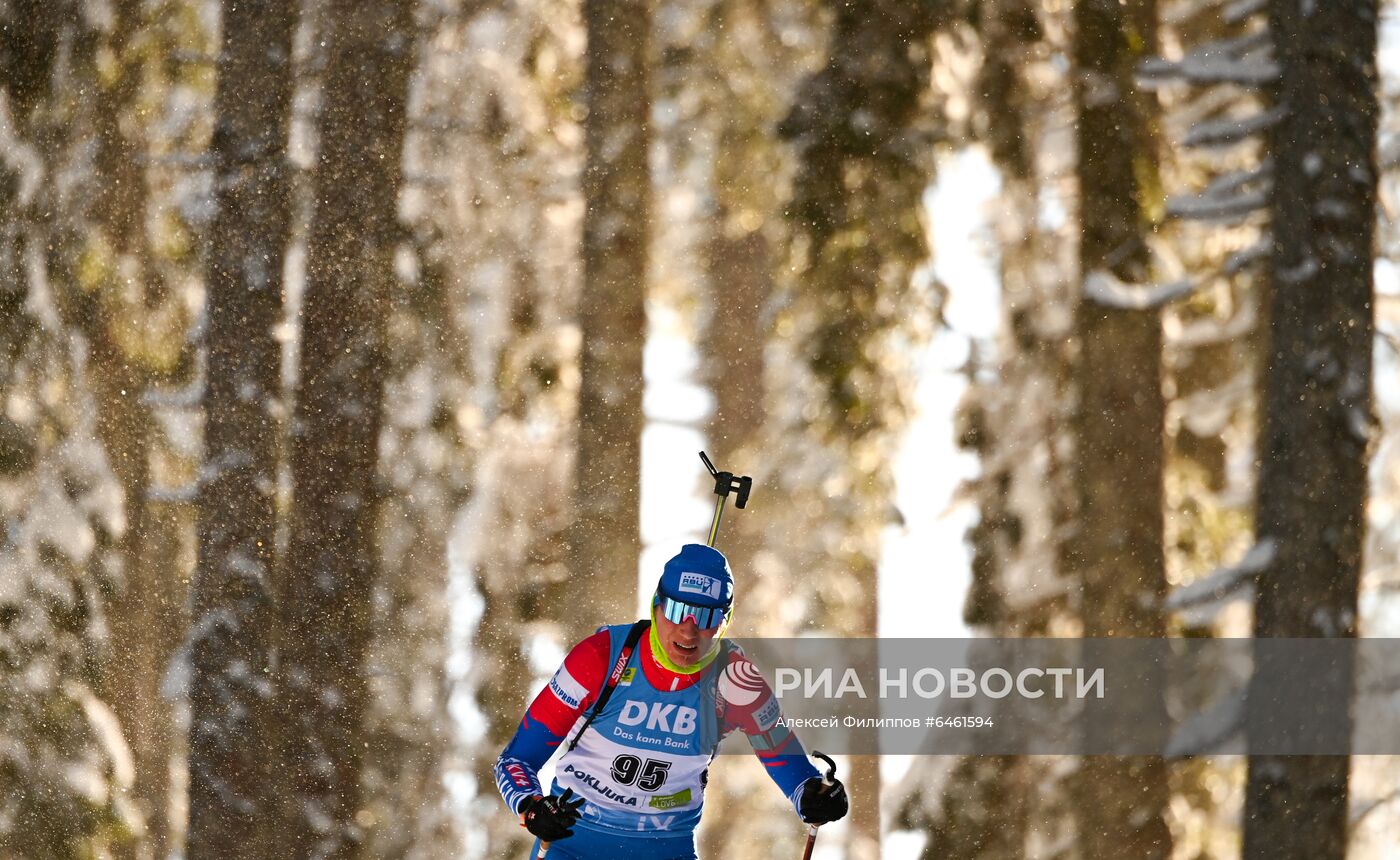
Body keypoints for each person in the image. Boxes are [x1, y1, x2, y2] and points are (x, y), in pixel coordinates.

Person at [494, 543, 849, 858]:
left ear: (724, 623)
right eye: (679, 611)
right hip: (574, 846)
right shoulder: (600, 657)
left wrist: (814, 795)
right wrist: (533, 806)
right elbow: (517, 759)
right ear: (657, 606)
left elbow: (788, 763)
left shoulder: (735, 679)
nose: (688, 631)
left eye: (707, 618)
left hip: (667, 850)